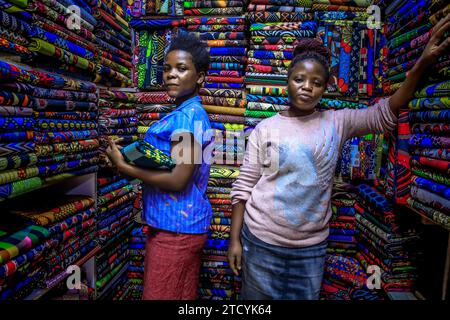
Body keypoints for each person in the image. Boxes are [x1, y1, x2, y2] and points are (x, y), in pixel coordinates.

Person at [228, 14, 450, 300]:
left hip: (309, 250)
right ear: (287, 81)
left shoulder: (336, 122)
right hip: (260, 241)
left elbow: (385, 112)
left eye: (316, 82)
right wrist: (234, 240)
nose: (307, 86)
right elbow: (244, 187)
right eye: (299, 79)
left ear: (325, 87)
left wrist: (423, 63)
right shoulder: (266, 128)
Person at [106, 32, 213, 300]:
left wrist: (125, 167)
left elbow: (178, 178)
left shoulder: (188, 118)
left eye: (181, 68)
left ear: (200, 76)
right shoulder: (183, 113)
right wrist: (132, 152)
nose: (171, 75)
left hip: (176, 231)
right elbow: (168, 161)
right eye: (167, 68)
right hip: (176, 227)